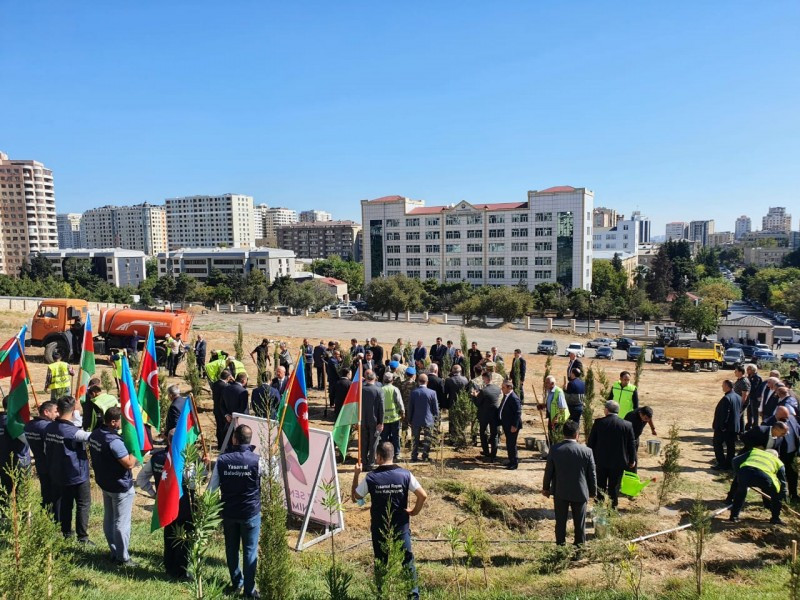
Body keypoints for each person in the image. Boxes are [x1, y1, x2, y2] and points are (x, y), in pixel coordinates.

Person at [352, 442, 427, 600]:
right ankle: (413, 596)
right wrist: (414, 511)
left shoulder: (371, 477)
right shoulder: (405, 474)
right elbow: (423, 495)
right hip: (401, 526)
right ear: (392, 456)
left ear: (378, 456)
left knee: (381, 562)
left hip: (379, 528)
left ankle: (382, 595)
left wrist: (356, 474)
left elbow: (356, 497)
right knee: (407, 561)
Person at [210, 425, 262, 598]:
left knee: (231, 549)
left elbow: (211, 489)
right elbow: (271, 482)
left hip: (229, 513)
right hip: (250, 513)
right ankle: (249, 590)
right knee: (249, 551)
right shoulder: (257, 460)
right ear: (249, 440)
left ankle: (236, 583)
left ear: (234, 439)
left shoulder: (222, 460)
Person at [136, 430, 194, 580]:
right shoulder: (186, 460)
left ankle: (169, 568)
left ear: (168, 440)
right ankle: (181, 572)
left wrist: (155, 494)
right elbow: (193, 483)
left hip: (165, 506)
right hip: (183, 506)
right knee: (183, 539)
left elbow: (141, 479)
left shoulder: (156, 458)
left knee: (169, 535)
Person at [89, 407, 137, 566]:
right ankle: (123, 558)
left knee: (109, 519)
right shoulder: (114, 441)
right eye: (120, 422)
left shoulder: (96, 434)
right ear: (113, 422)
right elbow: (129, 463)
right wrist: (136, 450)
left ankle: (114, 551)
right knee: (121, 522)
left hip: (105, 482)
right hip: (119, 486)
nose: (122, 425)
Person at [45, 396, 92, 542]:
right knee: (83, 504)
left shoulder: (49, 427)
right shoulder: (73, 432)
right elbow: (91, 437)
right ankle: (82, 537)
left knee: (66, 503)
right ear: (73, 410)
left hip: (59, 473)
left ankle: (66, 532)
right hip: (77, 474)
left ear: (57, 410)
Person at [542, 420, 597, 547]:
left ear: (563, 434)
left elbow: (549, 470)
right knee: (580, 523)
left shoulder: (555, 449)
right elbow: (592, 474)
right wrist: (593, 492)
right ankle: (579, 549)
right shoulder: (587, 451)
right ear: (577, 434)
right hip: (580, 492)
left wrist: (546, 488)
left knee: (560, 522)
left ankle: (560, 548)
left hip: (560, 491)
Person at [587, 400, 636, 508]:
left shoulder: (599, 423)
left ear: (606, 410)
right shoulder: (627, 425)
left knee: (600, 486)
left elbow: (591, 442)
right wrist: (632, 460)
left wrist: (589, 459)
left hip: (601, 461)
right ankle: (612, 509)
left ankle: (599, 508)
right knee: (614, 487)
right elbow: (631, 444)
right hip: (619, 462)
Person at [726, 447, 786, 524]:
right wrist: (782, 497)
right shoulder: (779, 462)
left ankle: (734, 516)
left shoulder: (755, 452)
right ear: (776, 456)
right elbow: (783, 484)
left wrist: (739, 475)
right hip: (764, 478)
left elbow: (734, 460)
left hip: (745, 473)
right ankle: (775, 518)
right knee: (776, 493)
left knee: (740, 492)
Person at [23, 400, 57, 511]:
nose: (57, 414)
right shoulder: (48, 427)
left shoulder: (28, 426)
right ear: (46, 412)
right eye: (55, 411)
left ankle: (46, 517)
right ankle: (55, 521)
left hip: (40, 464)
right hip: (51, 465)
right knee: (55, 496)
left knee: (45, 493)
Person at [764, 406, 800, 501]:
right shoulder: (768, 423)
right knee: (778, 477)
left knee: (792, 475)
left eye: (787, 416)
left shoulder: (791, 419)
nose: (787, 419)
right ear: (777, 415)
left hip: (792, 454)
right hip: (778, 456)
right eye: (784, 417)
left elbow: (797, 431)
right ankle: (777, 497)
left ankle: (794, 495)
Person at [0, 399, 31, 495]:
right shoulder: (15, 424)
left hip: (2, 461)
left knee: (4, 492)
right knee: (22, 494)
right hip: (19, 462)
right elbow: (28, 440)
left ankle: (4, 509)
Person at [712, 380, 743, 470]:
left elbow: (725, 414)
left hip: (725, 428)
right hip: (734, 427)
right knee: (731, 446)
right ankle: (729, 463)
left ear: (727, 386)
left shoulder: (727, 398)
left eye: (723, 385)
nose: (722, 387)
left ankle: (721, 463)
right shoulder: (738, 397)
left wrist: (722, 427)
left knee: (717, 444)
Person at [408, 373, 438, 463]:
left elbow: (410, 408)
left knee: (415, 438)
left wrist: (409, 419)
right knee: (427, 439)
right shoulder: (432, 393)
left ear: (418, 382)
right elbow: (435, 408)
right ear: (427, 382)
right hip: (428, 419)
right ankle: (425, 455)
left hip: (416, 419)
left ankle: (414, 456)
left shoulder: (414, 392)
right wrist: (436, 419)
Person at [472, 372, 501, 462]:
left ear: (485, 379)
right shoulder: (497, 389)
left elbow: (478, 403)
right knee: (494, 434)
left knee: (483, 433)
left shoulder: (484, 391)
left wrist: (475, 396)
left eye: (483, 379)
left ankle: (486, 452)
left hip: (484, 415)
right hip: (495, 414)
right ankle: (493, 454)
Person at [361, 370, 385, 468]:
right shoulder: (379, 390)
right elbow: (382, 408)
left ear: (366, 379)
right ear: (374, 378)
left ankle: (363, 461)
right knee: (374, 442)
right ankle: (370, 463)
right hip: (375, 421)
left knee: (364, 441)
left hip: (362, 420)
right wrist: (381, 422)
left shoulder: (361, 390)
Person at [379, 373, 405, 460]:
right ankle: (396, 453)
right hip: (394, 417)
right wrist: (402, 412)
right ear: (392, 380)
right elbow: (399, 402)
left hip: (384, 418)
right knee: (395, 436)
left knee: (384, 437)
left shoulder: (380, 390)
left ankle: (384, 454)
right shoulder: (395, 389)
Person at [499, 379, 522, 470]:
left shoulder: (514, 398)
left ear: (509, 387)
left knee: (512, 444)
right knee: (509, 443)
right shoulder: (507, 395)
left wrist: (515, 425)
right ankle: (510, 459)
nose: (502, 389)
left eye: (503, 387)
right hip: (507, 424)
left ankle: (514, 463)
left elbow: (518, 413)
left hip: (513, 426)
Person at [624, 406, 656, 472]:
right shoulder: (631, 417)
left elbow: (650, 419)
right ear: (640, 414)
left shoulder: (646, 413)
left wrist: (653, 429)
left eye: (648, 419)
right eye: (645, 418)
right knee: (630, 458)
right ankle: (628, 474)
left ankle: (631, 474)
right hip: (628, 439)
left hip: (636, 438)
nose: (647, 420)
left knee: (633, 458)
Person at [444, 365, 468, 435]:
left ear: (452, 371)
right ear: (460, 371)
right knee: (461, 420)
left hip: (452, 402)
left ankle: (452, 437)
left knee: (452, 421)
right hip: (462, 402)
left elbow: (445, 392)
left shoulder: (449, 380)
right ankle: (461, 434)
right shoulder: (465, 379)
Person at [213, 370, 234, 449]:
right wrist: (234, 380)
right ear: (228, 377)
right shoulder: (226, 386)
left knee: (219, 427)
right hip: (223, 410)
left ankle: (220, 445)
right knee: (224, 428)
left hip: (216, 409)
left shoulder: (215, 384)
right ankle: (224, 446)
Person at [734, 365, 751, 430]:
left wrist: (741, 405)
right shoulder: (739, 380)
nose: (734, 372)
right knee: (740, 418)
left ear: (740, 372)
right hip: (738, 401)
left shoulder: (744, 381)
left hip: (741, 403)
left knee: (738, 417)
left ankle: (741, 432)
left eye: (736, 371)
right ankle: (740, 432)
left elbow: (745, 395)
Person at [745, 363, 763, 428]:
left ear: (753, 370)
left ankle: (755, 425)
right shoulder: (749, 376)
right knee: (749, 412)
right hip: (749, 397)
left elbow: (753, 387)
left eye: (748, 369)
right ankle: (749, 424)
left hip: (755, 398)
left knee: (754, 412)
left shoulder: (757, 378)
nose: (747, 370)